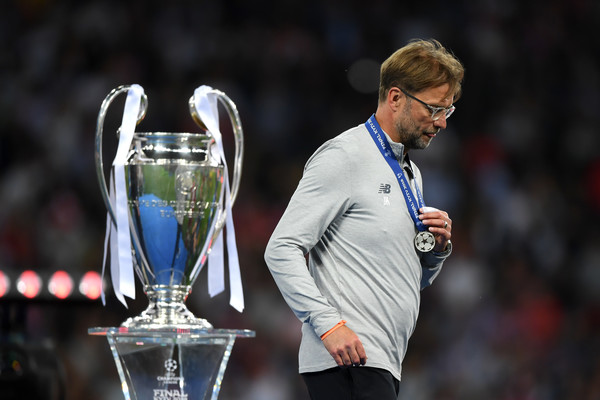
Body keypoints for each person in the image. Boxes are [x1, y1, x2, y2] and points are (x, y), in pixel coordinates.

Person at [264, 38, 464, 399]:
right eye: (434, 109)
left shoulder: (410, 173)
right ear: (395, 98)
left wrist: (435, 251)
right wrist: (329, 326)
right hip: (348, 359)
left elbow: (407, 280)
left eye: (447, 111)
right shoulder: (345, 156)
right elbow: (281, 248)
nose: (441, 123)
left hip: (382, 360)